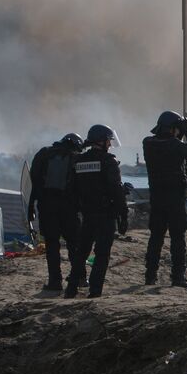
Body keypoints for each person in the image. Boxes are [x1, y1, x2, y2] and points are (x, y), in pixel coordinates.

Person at [142, 110, 187, 289]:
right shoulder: (175, 145)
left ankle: (150, 275)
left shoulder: (148, 143)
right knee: (177, 238)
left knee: (156, 238)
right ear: (173, 129)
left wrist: (180, 131)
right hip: (175, 199)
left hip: (157, 198)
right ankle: (178, 276)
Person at [68, 124, 127, 299]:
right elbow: (116, 190)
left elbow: (72, 189)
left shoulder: (78, 161)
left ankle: (71, 288)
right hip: (105, 215)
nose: (110, 143)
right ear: (102, 140)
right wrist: (123, 215)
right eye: (108, 140)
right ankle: (95, 291)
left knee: (81, 253)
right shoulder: (109, 162)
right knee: (101, 255)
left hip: (87, 215)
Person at [28, 132, 84, 293]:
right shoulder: (76, 158)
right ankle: (79, 278)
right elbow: (82, 186)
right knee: (75, 244)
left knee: (52, 245)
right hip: (69, 209)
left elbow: (32, 183)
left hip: (47, 207)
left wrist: (31, 206)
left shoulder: (43, 154)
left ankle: (55, 281)